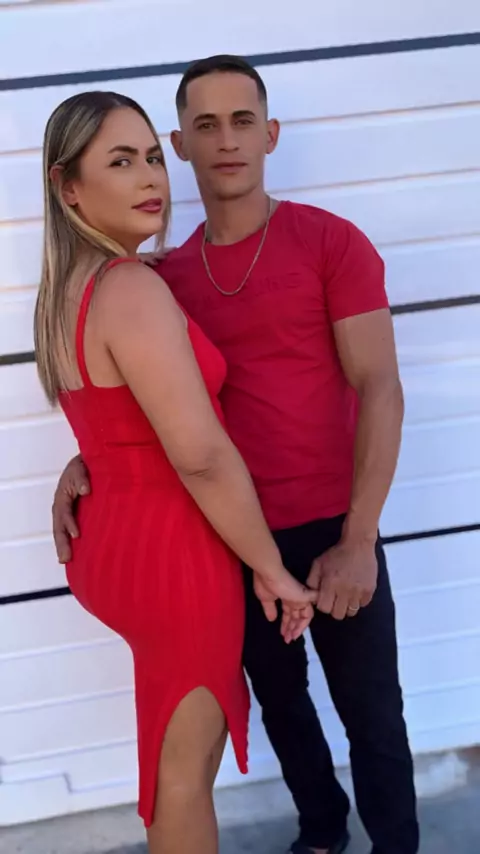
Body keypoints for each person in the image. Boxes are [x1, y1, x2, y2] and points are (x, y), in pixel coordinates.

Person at [52, 58, 420, 854]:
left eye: (243, 121)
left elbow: (382, 388)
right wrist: (87, 463)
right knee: (283, 710)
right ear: (182, 143)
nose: (227, 141)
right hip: (231, 541)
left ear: (271, 134)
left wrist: (360, 538)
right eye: (205, 126)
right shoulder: (162, 278)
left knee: (374, 717)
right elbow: (136, 404)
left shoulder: (330, 242)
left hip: (334, 525)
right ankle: (321, 832)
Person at [35, 89, 317, 854]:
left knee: (169, 756)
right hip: (172, 554)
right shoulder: (130, 289)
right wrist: (271, 569)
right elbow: (200, 454)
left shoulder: (74, 288)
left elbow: (114, 423)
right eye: (120, 161)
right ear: (68, 187)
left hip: (117, 540)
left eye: (153, 157)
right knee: (185, 775)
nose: (149, 177)